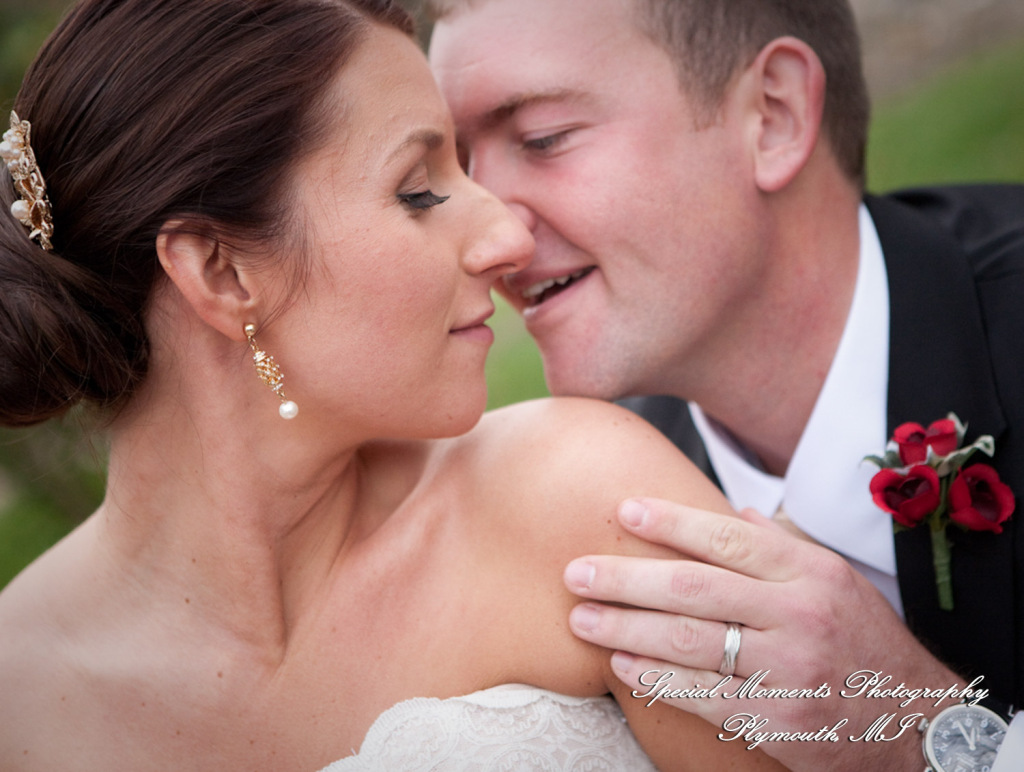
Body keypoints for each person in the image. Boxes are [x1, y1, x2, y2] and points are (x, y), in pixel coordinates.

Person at [0, 0, 798, 770]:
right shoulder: (19, 705)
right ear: (222, 271)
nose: (509, 235)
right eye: (418, 189)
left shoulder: (586, 506)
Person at [427, 0, 1024, 769]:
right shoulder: (605, 511)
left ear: (771, 115)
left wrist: (936, 735)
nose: (490, 239)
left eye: (543, 140)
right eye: (462, 165)